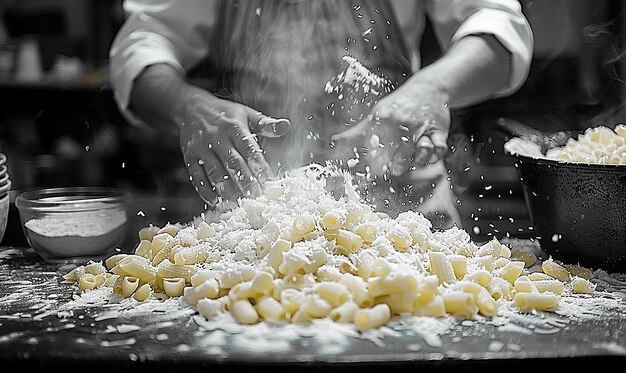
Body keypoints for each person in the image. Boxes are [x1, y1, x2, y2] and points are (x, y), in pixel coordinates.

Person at [109, 0, 533, 229]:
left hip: (402, 196)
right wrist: (188, 106)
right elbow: (144, 42)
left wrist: (431, 88)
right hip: (256, 209)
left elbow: (496, 24)